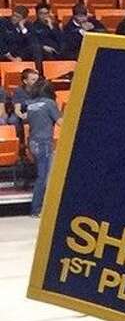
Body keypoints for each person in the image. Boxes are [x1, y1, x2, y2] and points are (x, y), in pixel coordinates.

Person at [18, 79, 60, 218]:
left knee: (41, 175)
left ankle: (39, 208)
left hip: (33, 143)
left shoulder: (31, 105)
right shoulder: (50, 104)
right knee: (43, 177)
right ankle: (36, 209)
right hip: (44, 143)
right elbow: (60, 122)